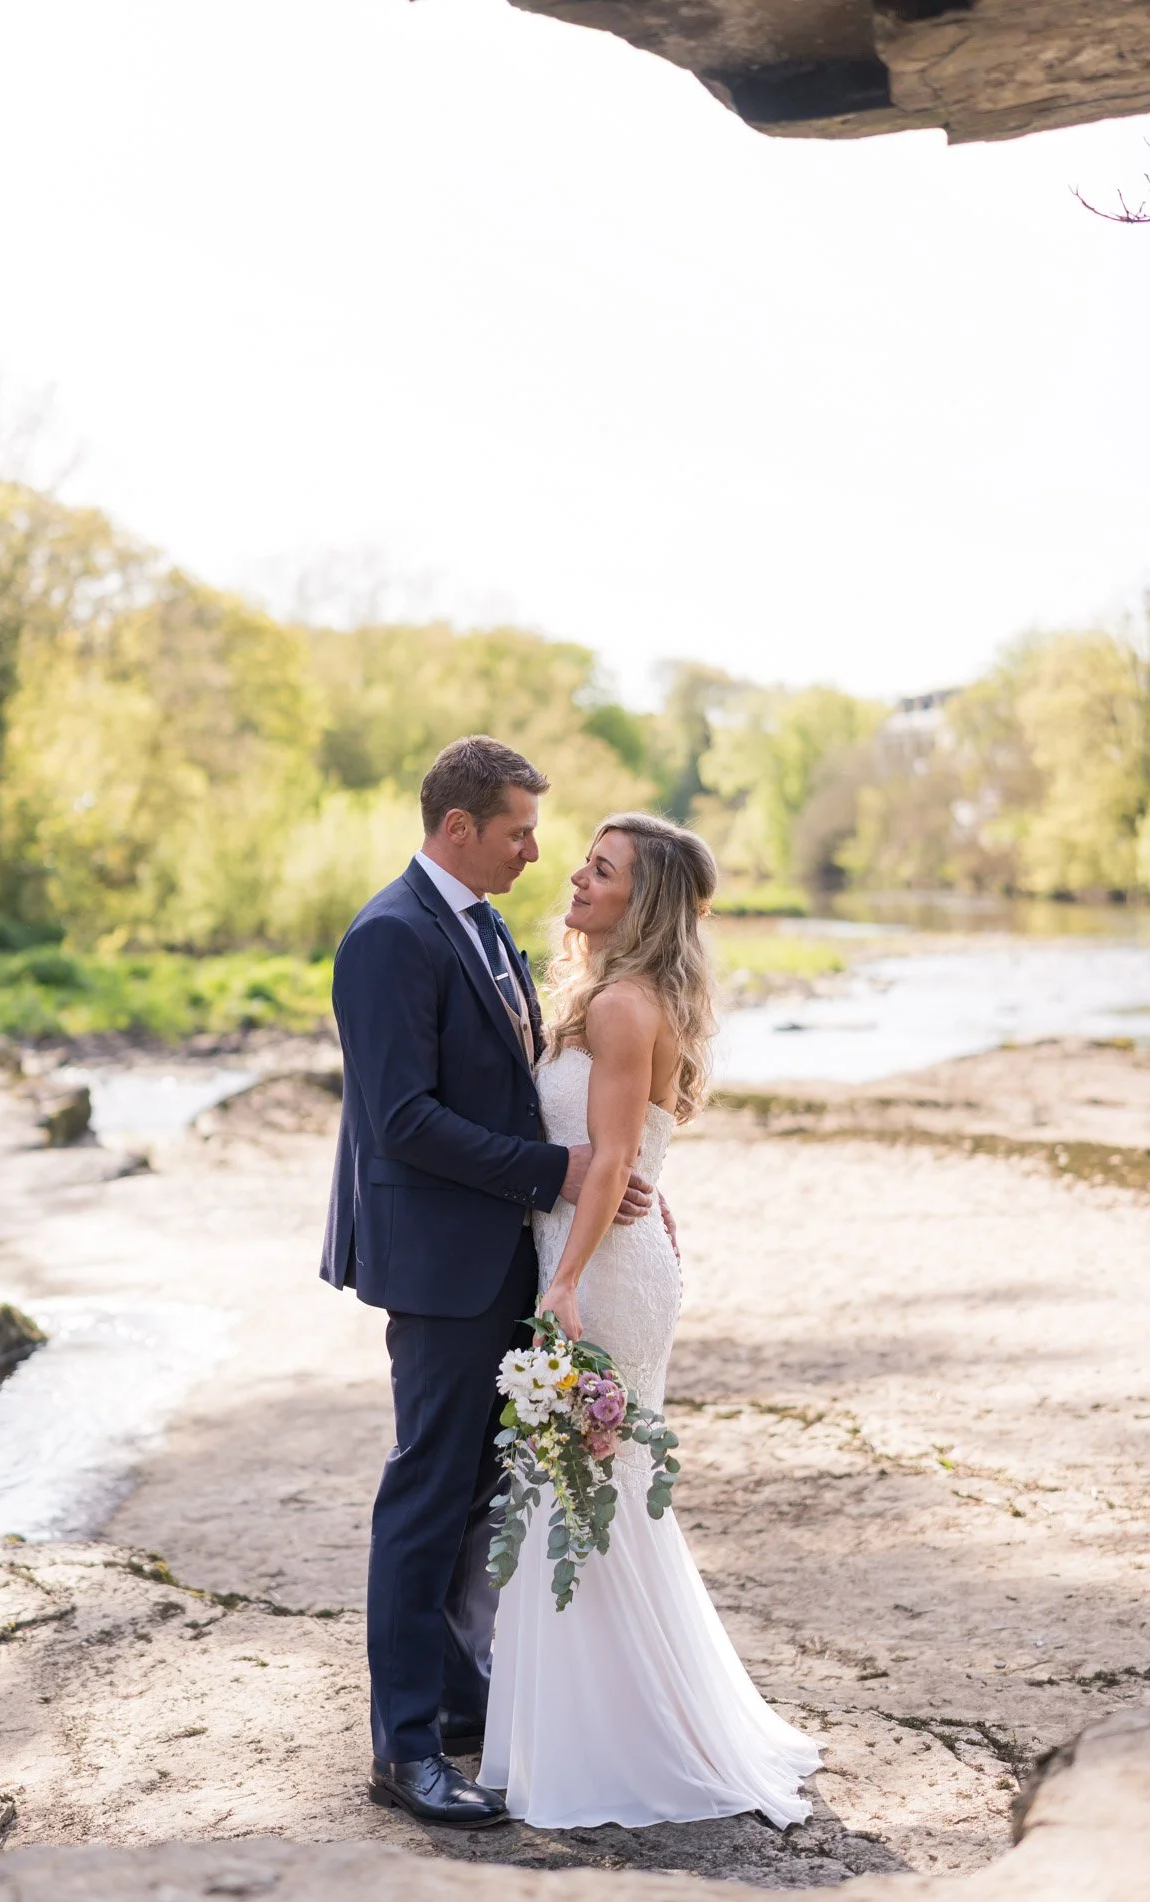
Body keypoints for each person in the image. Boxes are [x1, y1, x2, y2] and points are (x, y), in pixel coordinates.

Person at [320, 737, 657, 1829]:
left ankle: (461, 1694)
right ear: (457, 827)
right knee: (424, 1496)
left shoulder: (488, 925)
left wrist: (589, 1178)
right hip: (435, 1263)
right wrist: (555, 1169)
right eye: (517, 829)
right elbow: (402, 1120)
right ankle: (403, 1750)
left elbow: (513, 1085)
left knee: (476, 1491)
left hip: (501, 1252)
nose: (534, 849)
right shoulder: (385, 938)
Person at [478, 812, 822, 1828]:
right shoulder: (600, 995)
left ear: (645, 902)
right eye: (583, 861)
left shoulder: (626, 1007)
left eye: (602, 870)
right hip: (591, 1253)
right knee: (579, 1493)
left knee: (592, 1492)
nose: (575, 877)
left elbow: (617, 1158)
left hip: (604, 1278)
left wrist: (563, 1283)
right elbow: (612, 1152)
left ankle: (620, 1742)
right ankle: (594, 1725)